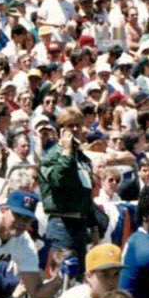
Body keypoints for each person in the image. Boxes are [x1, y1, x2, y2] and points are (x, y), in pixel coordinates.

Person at [39, 107, 99, 266]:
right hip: (61, 224)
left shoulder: (83, 159)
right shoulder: (51, 155)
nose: (75, 130)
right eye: (69, 126)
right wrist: (66, 152)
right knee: (63, 276)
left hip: (81, 225)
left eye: (78, 125)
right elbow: (58, 180)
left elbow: (87, 197)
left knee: (80, 277)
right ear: (60, 130)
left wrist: (94, 229)